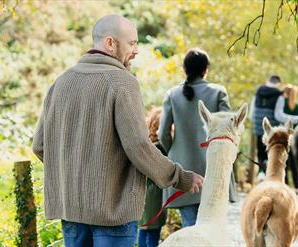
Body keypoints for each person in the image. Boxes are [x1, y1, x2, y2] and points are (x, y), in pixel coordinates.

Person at [32, 14, 203, 247]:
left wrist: (76, 176)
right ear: (110, 43)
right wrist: (181, 177)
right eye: (132, 43)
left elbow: (40, 145)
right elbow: (139, 147)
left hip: (71, 210)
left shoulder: (61, 82)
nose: (136, 50)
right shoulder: (122, 82)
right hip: (113, 212)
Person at [158, 48, 237, 228]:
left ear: (184, 69)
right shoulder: (218, 92)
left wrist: (174, 152)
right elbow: (229, 130)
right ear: (206, 69)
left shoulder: (172, 94)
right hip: (214, 167)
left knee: (190, 224)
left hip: (183, 168)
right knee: (213, 225)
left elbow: (162, 133)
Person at [249, 75, 298, 174]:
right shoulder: (279, 96)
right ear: (278, 84)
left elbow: (251, 114)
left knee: (261, 155)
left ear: (267, 81)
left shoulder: (257, 93)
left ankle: (261, 173)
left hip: (257, 128)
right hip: (272, 131)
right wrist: (297, 119)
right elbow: (278, 116)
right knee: (271, 155)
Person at [138, 107, 167, 247]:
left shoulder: (144, 144)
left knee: (143, 230)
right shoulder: (161, 148)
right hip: (155, 195)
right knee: (153, 233)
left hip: (142, 192)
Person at [278, 84, 298, 187]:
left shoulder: (282, 104)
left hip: (284, 137)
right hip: (296, 138)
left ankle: (285, 184)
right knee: (295, 163)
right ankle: (297, 186)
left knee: (285, 162)